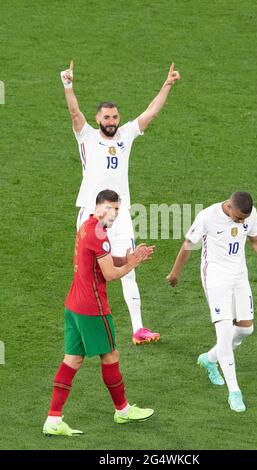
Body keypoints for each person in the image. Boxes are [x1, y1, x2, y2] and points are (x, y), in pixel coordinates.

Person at [60, 60, 180, 345]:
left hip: (121, 213)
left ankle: (138, 328)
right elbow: (74, 112)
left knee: (129, 264)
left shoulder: (126, 134)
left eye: (115, 117)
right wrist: (68, 84)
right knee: (87, 270)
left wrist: (167, 84)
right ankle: (81, 324)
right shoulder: (86, 136)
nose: (112, 122)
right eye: (107, 118)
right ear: (98, 118)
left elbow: (150, 113)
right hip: (91, 213)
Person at [43, 190, 155, 436]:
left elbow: (101, 258)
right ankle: (123, 411)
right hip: (93, 308)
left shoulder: (87, 226)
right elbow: (110, 274)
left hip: (74, 304)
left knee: (72, 359)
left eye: (117, 209)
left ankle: (52, 419)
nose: (114, 213)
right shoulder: (100, 234)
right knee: (110, 356)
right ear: (99, 207)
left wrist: (128, 256)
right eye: (110, 208)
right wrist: (133, 263)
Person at [166, 192, 257, 412]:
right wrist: (175, 274)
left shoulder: (249, 215)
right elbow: (188, 245)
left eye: (244, 219)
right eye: (238, 218)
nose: (241, 222)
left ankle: (210, 358)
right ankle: (234, 391)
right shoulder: (207, 217)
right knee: (225, 333)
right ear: (228, 206)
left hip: (239, 277)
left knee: (246, 330)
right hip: (216, 278)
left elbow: (255, 240)